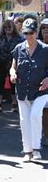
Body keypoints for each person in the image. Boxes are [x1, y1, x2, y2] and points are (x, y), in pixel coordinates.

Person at [10, 18, 48, 162]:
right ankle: (27, 151)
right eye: (26, 33)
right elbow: (13, 66)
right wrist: (12, 73)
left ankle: (36, 149)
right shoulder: (19, 48)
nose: (28, 36)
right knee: (24, 119)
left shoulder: (45, 49)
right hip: (23, 89)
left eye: (31, 33)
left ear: (36, 32)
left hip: (41, 90)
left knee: (35, 115)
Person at [0, 20, 24, 113]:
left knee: (14, 83)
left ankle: (14, 104)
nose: (8, 29)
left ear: (13, 28)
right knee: (0, 83)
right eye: (6, 27)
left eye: (9, 27)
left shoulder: (18, 39)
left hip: (14, 62)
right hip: (1, 62)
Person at [38, 18, 48, 146]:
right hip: (40, 83)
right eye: (44, 28)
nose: (46, 31)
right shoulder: (37, 45)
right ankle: (46, 134)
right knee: (45, 111)